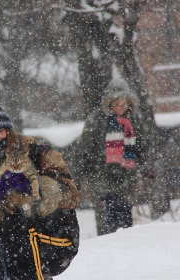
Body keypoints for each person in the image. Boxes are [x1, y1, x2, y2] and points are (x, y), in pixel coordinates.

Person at [0, 100, 80, 280]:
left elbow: (71, 195)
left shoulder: (36, 150)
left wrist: (37, 191)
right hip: (14, 237)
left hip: (55, 235)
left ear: (8, 130)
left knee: (20, 254)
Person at [76, 78, 149, 236]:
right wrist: (86, 174)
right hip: (102, 179)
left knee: (125, 220)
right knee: (107, 222)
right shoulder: (97, 121)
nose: (120, 107)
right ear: (109, 104)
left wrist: (138, 167)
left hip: (126, 178)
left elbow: (144, 148)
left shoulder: (134, 121)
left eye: (123, 103)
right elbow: (85, 150)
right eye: (116, 103)